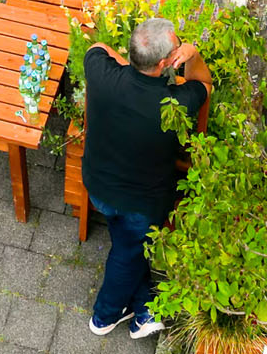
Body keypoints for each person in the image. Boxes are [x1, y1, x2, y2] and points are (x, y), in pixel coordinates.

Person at [83, 18, 212, 339]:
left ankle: (144, 310)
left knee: (127, 243)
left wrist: (128, 58)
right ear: (166, 63)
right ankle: (105, 317)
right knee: (127, 255)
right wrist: (193, 55)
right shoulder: (177, 102)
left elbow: (96, 48)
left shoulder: (101, 74)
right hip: (140, 203)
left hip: (97, 184)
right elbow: (205, 86)